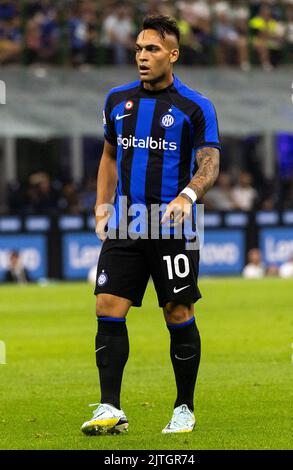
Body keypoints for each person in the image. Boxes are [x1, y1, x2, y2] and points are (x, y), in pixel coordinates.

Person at [81, 15, 220, 436]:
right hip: (126, 223)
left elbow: (209, 163)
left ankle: (184, 408)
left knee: (177, 311)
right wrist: (102, 205)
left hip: (173, 227)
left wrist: (188, 196)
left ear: (172, 54)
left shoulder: (195, 107)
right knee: (107, 305)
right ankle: (110, 408)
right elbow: (108, 156)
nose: (143, 56)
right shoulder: (116, 100)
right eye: (139, 49)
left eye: (153, 49)